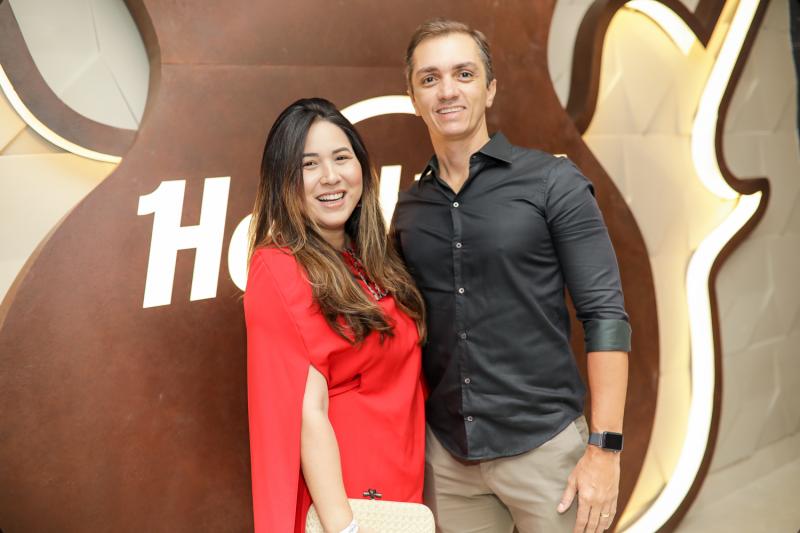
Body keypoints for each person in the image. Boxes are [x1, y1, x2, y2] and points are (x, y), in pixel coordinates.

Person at [391, 19, 631, 533]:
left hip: (547, 453)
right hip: (450, 461)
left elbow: (605, 316)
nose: (447, 90)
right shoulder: (408, 210)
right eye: (430, 78)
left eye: (464, 74)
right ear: (413, 98)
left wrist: (605, 449)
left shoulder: (552, 183)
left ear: (490, 89)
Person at [244, 98, 428, 533]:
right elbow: (306, 412)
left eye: (341, 158)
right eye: (308, 164)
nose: (330, 176)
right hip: (348, 497)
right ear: (283, 180)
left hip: (404, 479)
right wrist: (344, 527)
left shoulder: (371, 256)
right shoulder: (280, 268)